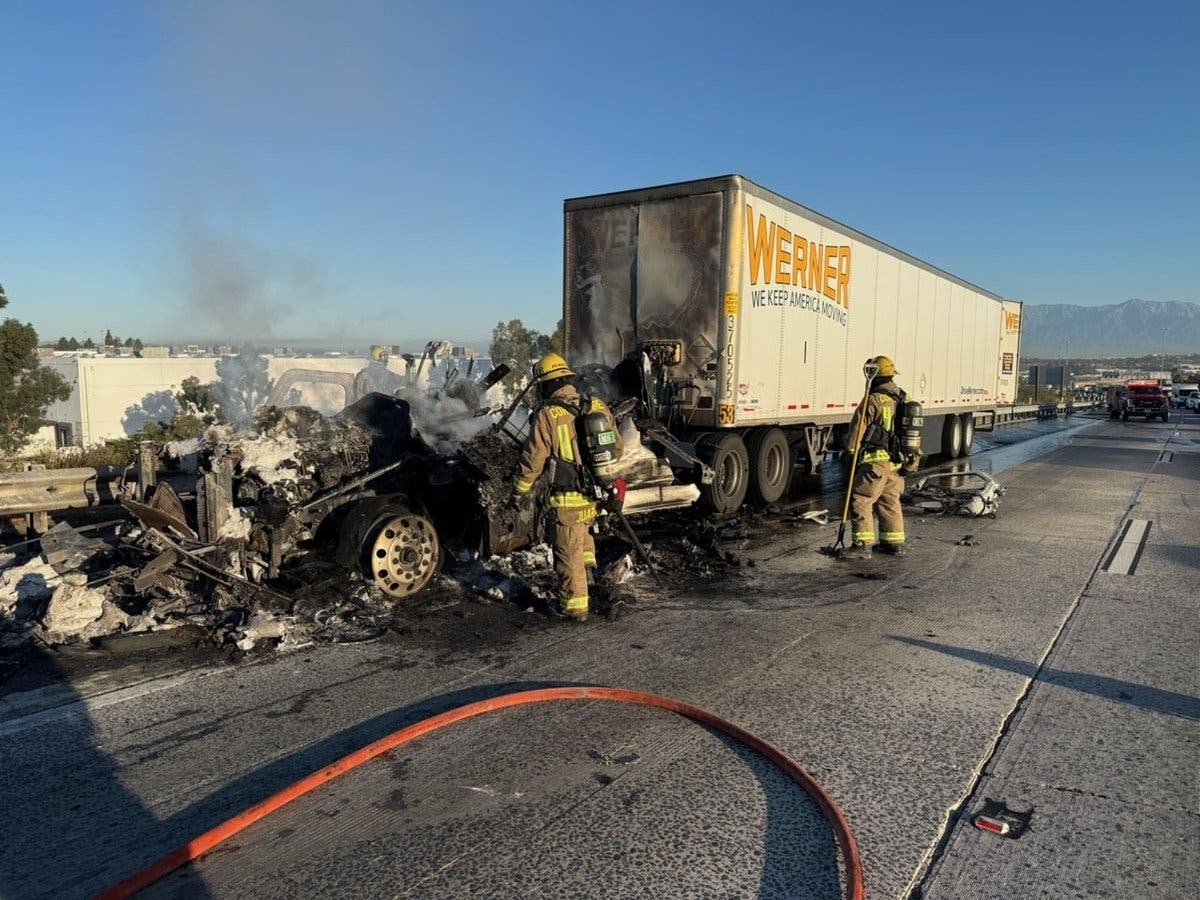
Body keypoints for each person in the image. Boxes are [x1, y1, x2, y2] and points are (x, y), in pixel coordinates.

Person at [513, 352, 623, 620]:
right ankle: (588, 577)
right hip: (593, 496)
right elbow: (616, 448)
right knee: (584, 543)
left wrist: (520, 489)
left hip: (566, 501)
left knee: (568, 555)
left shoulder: (548, 415)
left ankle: (575, 609)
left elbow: (534, 458)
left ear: (548, 384)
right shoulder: (596, 405)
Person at [841, 355, 912, 560]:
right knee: (889, 501)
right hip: (895, 463)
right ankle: (894, 544)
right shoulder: (903, 399)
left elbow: (857, 430)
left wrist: (851, 453)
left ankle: (863, 546)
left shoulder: (872, 400)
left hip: (875, 462)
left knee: (861, 500)